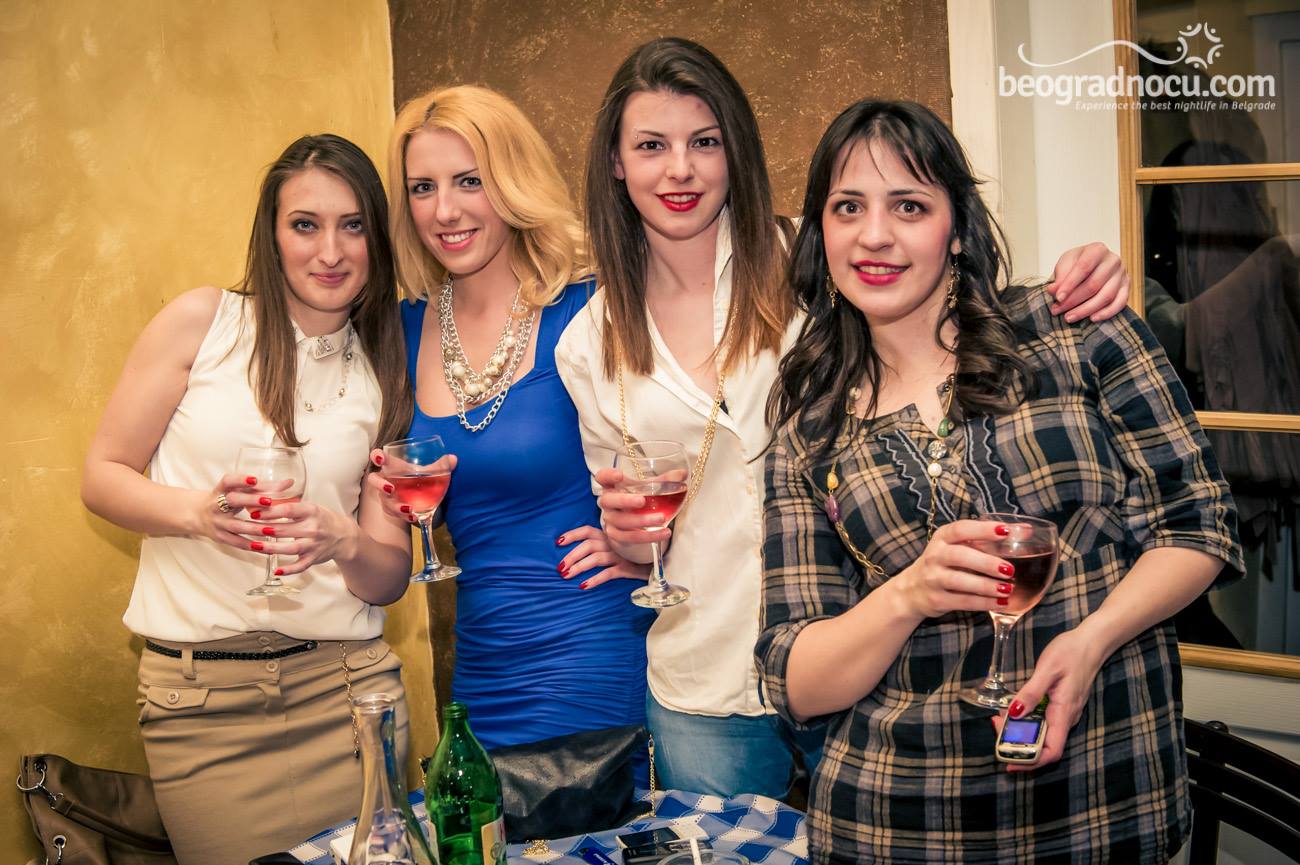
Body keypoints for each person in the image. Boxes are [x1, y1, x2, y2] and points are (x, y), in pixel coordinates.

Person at [555, 35, 1134, 799]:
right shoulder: (587, 343)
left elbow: (951, 314)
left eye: (705, 141)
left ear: (737, 151)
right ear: (616, 162)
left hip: (869, 654)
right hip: (708, 674)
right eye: (651, 145)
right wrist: (629, 534)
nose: (680, 169)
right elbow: (640, 535)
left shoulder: (820, 257)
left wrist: (1079, 276)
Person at [757, 99, 1242, 863]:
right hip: (900, 826)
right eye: (848, 206)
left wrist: (1090, 641)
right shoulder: (809, 425)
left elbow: (1200, 522)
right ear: (821, 229)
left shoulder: (1074, 329)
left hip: (1105, 800)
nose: (875, 234)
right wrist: (909, 592)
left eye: (909, 205)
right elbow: (796, 680)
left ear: (956, 227)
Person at [80, 135, 415, 863]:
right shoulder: (204, 323)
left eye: (353, 225)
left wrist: (345, 540)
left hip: (348, 691)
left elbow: (388, 578)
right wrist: (196, 515)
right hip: (203, 708)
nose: (330, 251)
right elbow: (102, 475)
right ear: (272, 233)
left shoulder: (385, 368)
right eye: (305, 224)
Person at [372, 84, 654, 754]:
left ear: (512, 181)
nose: (444, 210)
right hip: (481, 664)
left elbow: (695, 447)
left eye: (469, 180)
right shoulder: (402, 330)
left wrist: (654, 552)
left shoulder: (591, 306)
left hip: (594, 647)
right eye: (422, 188)